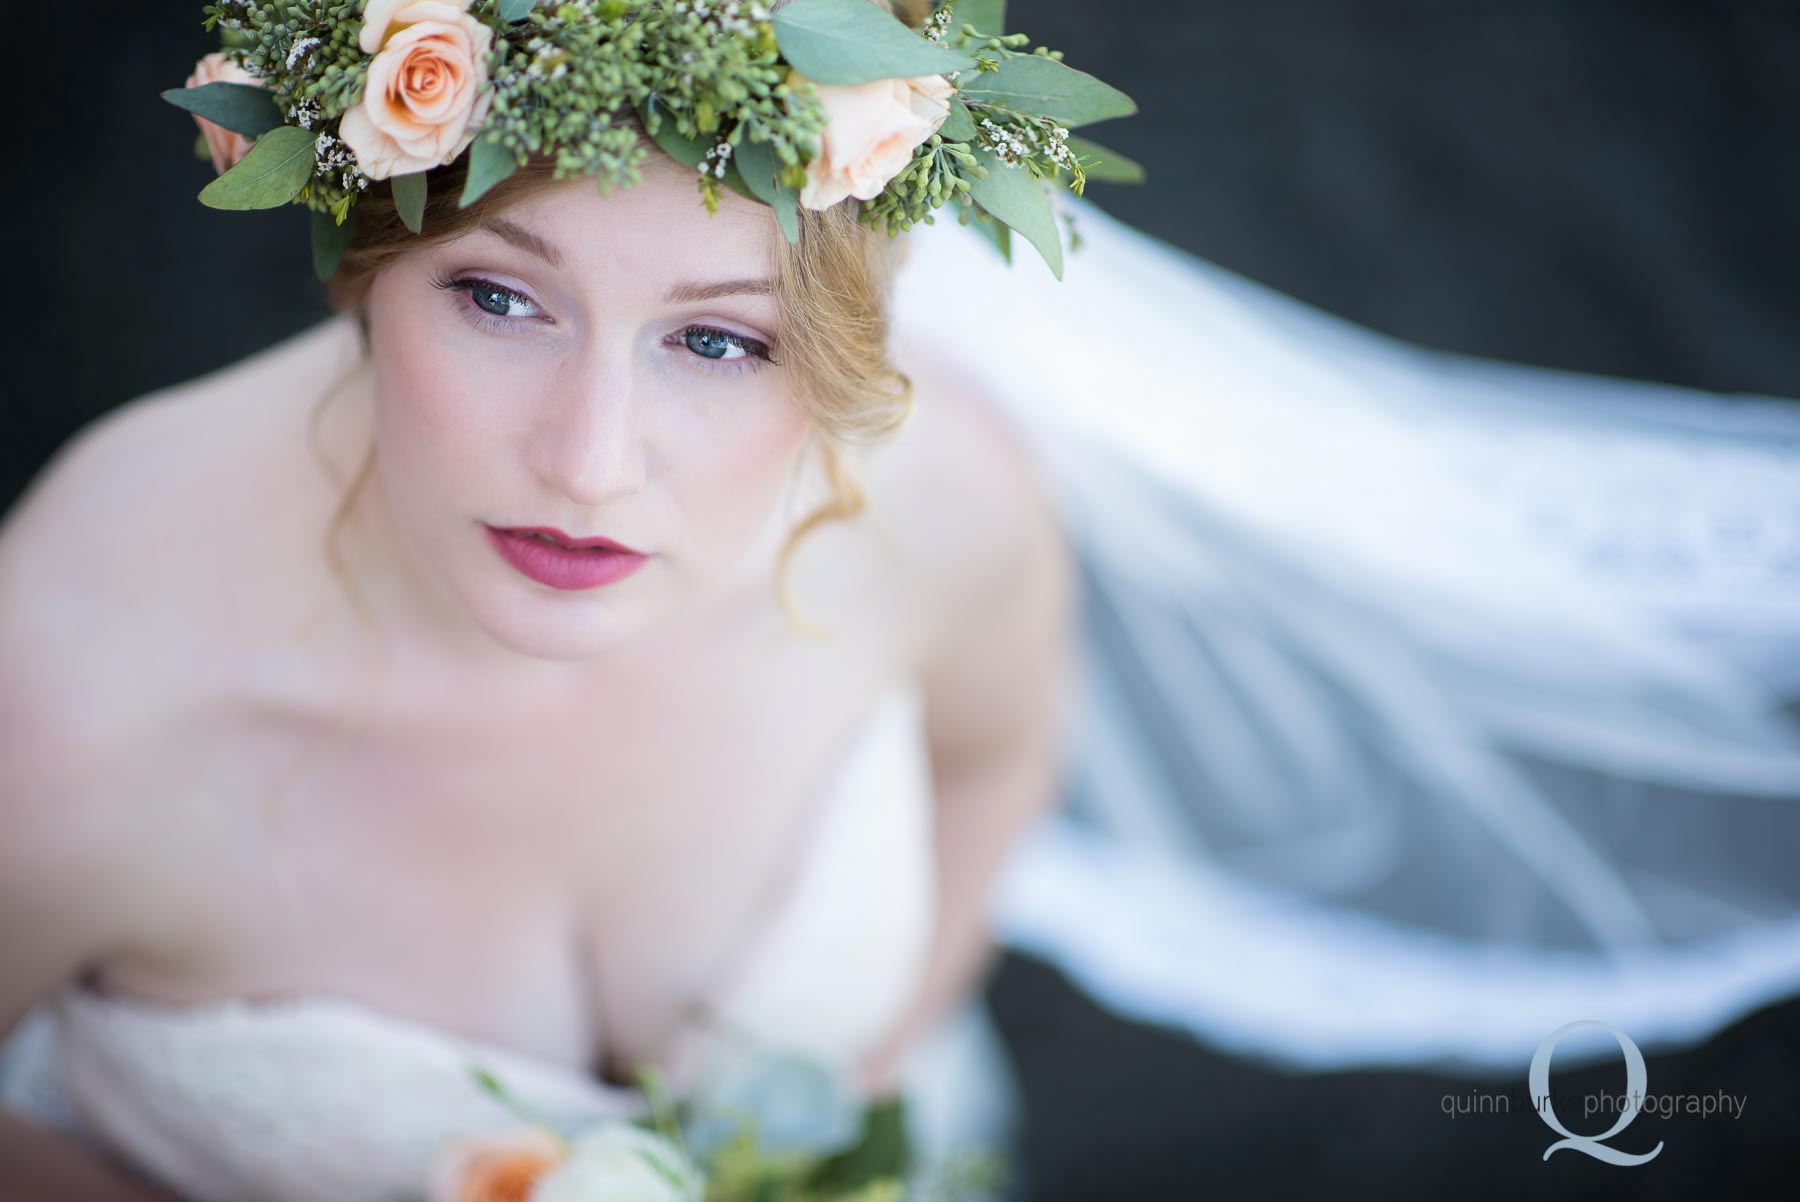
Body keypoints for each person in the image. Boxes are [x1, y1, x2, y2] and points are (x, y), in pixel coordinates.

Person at [0, 2, 1092, 1198]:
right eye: (500, 299)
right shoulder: (69, 694)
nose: (588, 463)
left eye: (719, 341)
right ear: (366, 264)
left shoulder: (941, 496)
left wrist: (825, 1136)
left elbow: (992, 771)